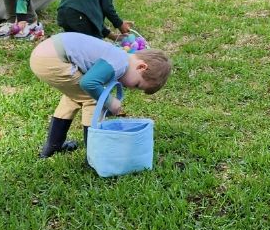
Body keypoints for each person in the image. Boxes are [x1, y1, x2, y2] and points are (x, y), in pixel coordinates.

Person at [31, 32, 171, 157]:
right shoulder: (119, 63)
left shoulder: (119, 56)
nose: (131, 87)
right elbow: (88, 83)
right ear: (141, 67)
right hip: (53, 58)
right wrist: (109, 102)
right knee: (93, 100)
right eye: (137, 85)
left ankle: (52, 146)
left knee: (73, 98)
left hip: (44, 54)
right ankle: (94, 156)